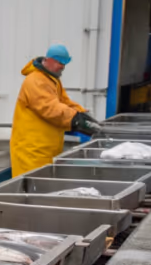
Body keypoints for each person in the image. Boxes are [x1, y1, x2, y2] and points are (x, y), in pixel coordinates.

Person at [9, 44, 98, 176]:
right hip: (32, 151)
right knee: (32, 184)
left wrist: (82, 114)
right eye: (60, 63)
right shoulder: (35, 81)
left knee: (44, 182)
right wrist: (75, 119)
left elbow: (64, 102)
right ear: (48, 60)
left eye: (64, 64)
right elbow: (50, 108)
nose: (63, 67)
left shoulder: (51, 79)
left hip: (45, 148)